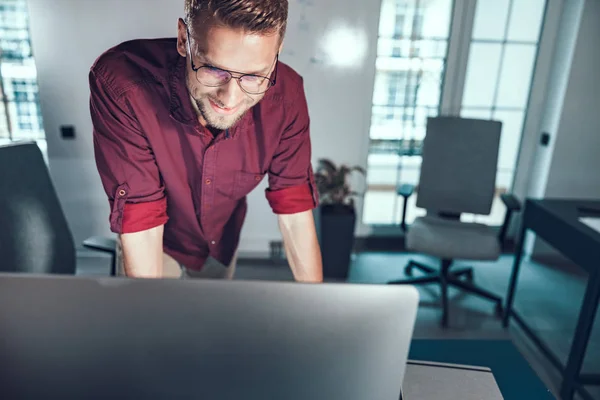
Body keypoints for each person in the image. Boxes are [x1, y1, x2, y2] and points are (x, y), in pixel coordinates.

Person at [89, 0, 323, 282]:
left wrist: (318, 313)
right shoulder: (123, 85)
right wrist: (147, 319)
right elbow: (142, 217)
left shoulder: (288, 96)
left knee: (211, 325)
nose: (230, 99)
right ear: (184, 39)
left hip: (220, 245)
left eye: (254, 76)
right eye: (214, 70)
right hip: (156, 245)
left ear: (276, 55)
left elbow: (295, 210)